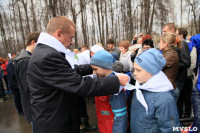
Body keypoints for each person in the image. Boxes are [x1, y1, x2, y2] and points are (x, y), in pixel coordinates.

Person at [27, 16, 129, 133]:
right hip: (55, 124)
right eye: (70, 37)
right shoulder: (48, 57)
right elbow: (80, 85)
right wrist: (116, 81)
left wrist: (95, 67)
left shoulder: (46, 52)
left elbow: (70, 71)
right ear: (59, 34)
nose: (72, 42)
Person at [129, 48, 180, 132]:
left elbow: (170, 129)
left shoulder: (165, 100)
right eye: (134, 69)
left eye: (138, 70)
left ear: (151, 71)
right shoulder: (140, 86)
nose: (134, 73)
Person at [90, 50, 127, 133]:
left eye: (95, 69)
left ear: (105, 67)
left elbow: (121, 118)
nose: (94, 72)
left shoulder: (115, 87)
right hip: (104, 126)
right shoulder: (101, 82)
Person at [13, 32, 40, 123]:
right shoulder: (24, 61)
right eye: (39, 44)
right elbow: (28, 87)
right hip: (33, 107)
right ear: (33, 42)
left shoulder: (28, 58)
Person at [177, 28, 197, 118]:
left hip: (187, 75)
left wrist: (188, 73)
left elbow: (192, 62)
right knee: (181, 97)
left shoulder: (190, 45)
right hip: (182, 74)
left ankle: (187, 115)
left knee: (187, 96)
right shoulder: (179, 44)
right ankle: (182, 114)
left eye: (177, 34)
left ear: (181, 35)